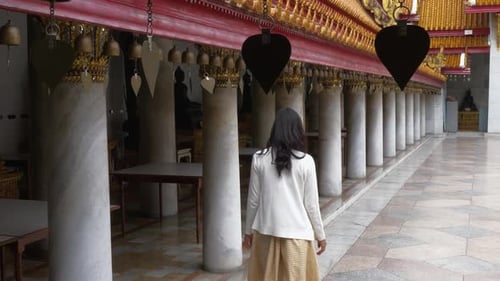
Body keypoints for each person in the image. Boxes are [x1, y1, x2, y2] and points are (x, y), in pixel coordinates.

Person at [243, 107, 327, 281]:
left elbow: (253, 200)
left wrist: (248, 232)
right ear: (298, 131)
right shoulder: (306, 162)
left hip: (266, 232)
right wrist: (320, 235)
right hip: (297, 238)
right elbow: (311, 204)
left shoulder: (259, 158)